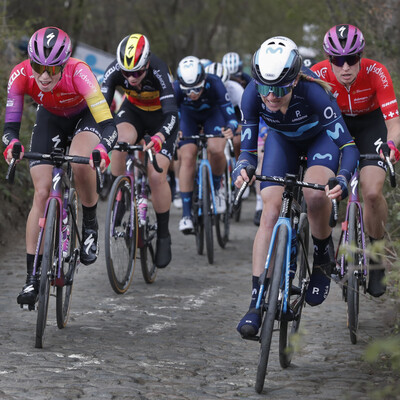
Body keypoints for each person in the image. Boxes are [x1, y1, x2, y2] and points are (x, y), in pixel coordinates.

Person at [232, 36, 360, 338]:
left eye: (278, 89)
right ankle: (256, 302)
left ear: (293, 81)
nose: (271, 97)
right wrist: (243, 168)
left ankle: (321, 258)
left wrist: (341, 177)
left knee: (315, 194)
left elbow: (349, 147)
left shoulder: (314, 93)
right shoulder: (252, 95)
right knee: (269, 212)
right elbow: (248, 152)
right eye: (265, 88)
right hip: (281, 142)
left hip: (320, 141)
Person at [2, 27, 117, 306]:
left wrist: (102, 149)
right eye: (38, 66)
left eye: (52, 69)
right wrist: (11, 145)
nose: (43, 75)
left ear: (63, 64)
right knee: (41, 194)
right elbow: (10, 129)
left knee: (80, 163)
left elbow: (109, 126)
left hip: (84, 118)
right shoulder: (19, 75)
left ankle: (89, 224)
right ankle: (32, 278)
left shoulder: (80, 73)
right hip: (50, 118)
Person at [311, 24, 400, 297]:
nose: (345, 67)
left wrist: (392, 145)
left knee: (371, 191)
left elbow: (393, 121)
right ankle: (324, 248)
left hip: (371, 126)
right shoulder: (317, 75)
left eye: (352, 59)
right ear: (329, 59)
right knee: (320, 188)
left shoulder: (376, 72)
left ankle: (375, 258)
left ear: (361, 56)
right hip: (336, 126)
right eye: (338, 60)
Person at [101, 33, 179, 269]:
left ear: (146, 64)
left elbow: (172, 114)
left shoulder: (158, 70)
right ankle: (120, 196)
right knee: (119, 141)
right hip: (133, 111)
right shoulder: (114, 70)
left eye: (137, 72)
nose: (131, 78)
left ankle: (164, 234)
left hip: (161, 118)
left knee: (156, 175)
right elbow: (101, 110)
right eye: (126, 73)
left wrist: (159, 136)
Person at [173, 56, 238, 234]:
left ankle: (217, 189)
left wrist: (231, 127)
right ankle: (186, 215)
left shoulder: (215, 82)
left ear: (204, 79)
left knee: (216, 149)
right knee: (186, 156)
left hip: (212, 115)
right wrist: (174, 129)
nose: (192, 94)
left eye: (197, 88)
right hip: (188, 117)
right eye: (188, 90)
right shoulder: (176, 87)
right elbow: (170, 113)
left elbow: (229, 112)